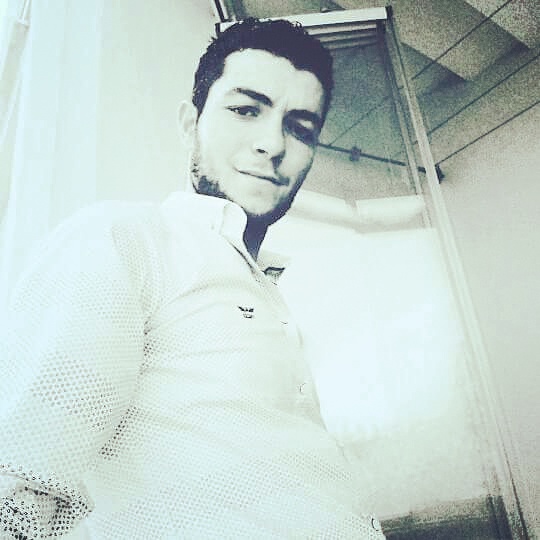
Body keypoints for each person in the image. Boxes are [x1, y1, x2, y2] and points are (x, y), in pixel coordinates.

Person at [0, 18, 385, 539]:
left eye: (300, 128)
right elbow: (18, 487)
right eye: (246, 110)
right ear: (190, 124)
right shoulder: (124, 240)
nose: (272, 143)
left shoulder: (264, 287)